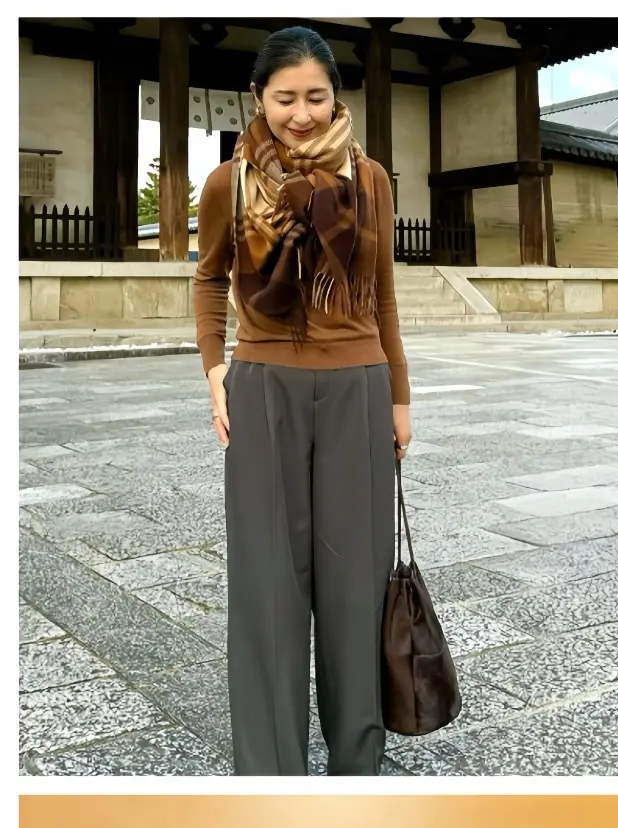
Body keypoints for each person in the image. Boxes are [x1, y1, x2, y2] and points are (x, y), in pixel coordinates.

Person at [194, 25, 409, 775]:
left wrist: (399, 397)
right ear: (258, 98)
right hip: (263, 387)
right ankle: (270, 766)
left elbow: (382, 292)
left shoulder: (371, 178)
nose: (302, 113)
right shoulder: (230, 183)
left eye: (316, 96)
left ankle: (358, 762)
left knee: (356, 585)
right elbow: (207, 278)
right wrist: (214, 368)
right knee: (267, 584)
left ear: (335, 98)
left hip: (358, 384)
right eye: (285, 98)